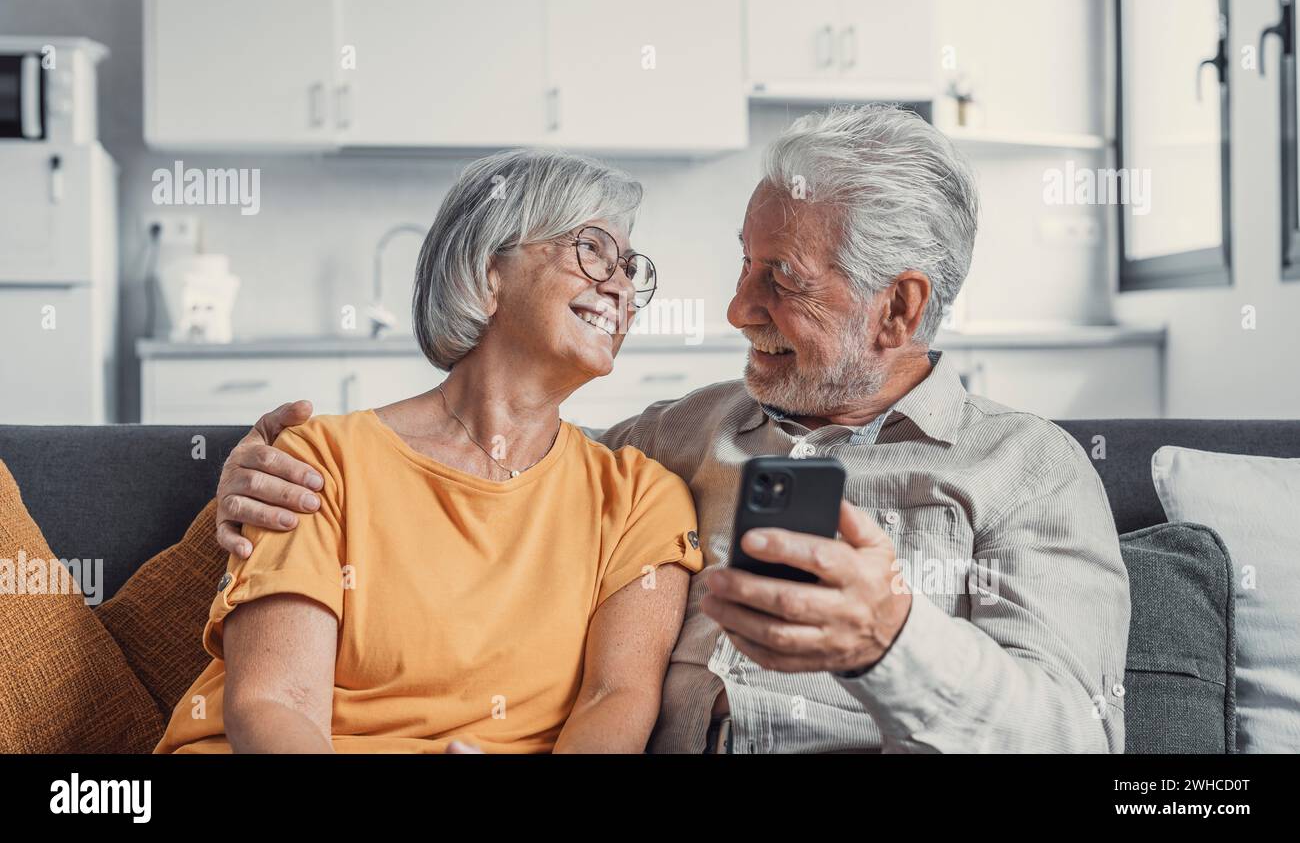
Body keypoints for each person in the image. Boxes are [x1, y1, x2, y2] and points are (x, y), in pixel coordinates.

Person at [214, 104, 1131, 753]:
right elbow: (491, 476)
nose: (736, 308)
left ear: (897, 310)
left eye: (782, 281)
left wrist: (889, 640)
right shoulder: (668, 444)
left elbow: (1073, 737)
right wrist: (252, 477)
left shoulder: (1030, 472)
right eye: (743, 267)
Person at [156, 149, 703, 754]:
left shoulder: (641, 499)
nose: (620, 283)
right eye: (592, 248)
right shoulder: (322, 460)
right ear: (487, 273)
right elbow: (275, 705)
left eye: (630, 266)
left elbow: (615, 702)